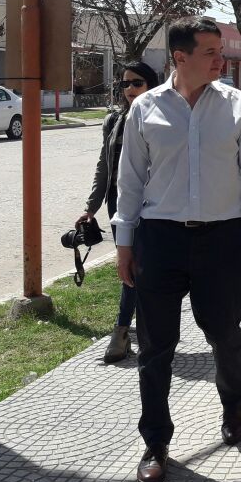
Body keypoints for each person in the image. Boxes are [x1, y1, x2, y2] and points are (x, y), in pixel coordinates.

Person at [112, 16, 241, 482]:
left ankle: (234, 404)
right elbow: (130, 180)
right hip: (159, 239)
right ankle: (155, 441)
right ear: (180, 58)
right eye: (211, 52)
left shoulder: (235, 104)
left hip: (220, 239)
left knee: (225, 333)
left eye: (220, 51)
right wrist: (124, 244)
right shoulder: (145, 108)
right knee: (155, 346)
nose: (221, 60)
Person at [75, 60, 159, 364]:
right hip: (119, 202)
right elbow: (104, 165)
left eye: (137, 83)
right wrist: (91, 208)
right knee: (132, 264)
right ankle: (124, 330)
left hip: (154, 203)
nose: (130, 89)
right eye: (125, 84)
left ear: (151, 85)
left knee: (147, 265)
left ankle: (133, 329)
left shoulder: (163, 118)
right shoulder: (115, 120)